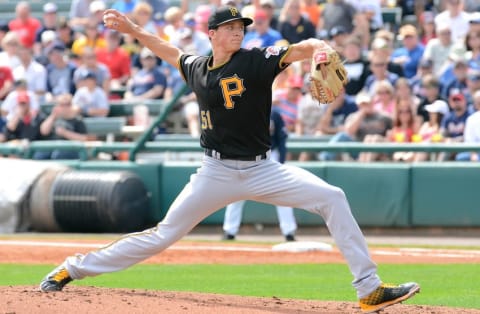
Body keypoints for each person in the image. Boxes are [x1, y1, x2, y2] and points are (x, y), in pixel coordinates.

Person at [39, 7, 420, 313]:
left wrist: (319, 48)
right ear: (213, 34)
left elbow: (301, 48)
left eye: (241, 26)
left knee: (332, 196)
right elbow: (165, 48)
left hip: (262, 169)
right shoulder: (197, 67)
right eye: (231, 27)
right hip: (216, 171)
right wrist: (134, 27)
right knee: (163, 235)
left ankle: (369, 289)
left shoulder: (256, 61)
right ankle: (71, 268)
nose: (238, 32)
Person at [222, 109, 297, 242]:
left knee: (282, 193)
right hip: (245, 156)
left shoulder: (274, 113)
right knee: (236, 194)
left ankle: (289, 231)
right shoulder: (242, 111)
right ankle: (229, 231)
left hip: (270, 155)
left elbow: (282, 139)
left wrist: (282, 161)